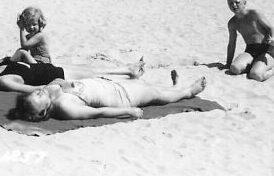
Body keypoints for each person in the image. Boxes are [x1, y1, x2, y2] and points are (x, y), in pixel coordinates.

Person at [14, 71, 207, 121]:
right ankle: (188, 91)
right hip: (122, 96)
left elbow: (57, 79)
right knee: (158, 95)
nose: (38, 92)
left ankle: (175, 86)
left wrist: (58, 84)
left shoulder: (49, 90)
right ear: (41, 112)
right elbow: (96, 114)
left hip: (110, 83)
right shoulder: (65, 106)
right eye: (37, 98)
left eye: (34, 93)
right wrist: (128, 111)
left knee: (152, 87)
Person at [0, 57, 146, 95]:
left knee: (92, 68)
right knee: (96, 73)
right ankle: (130, 71)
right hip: (58, 75)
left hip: (51, 67)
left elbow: (5, 59)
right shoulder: (5, 80)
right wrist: (58, 84)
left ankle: (129, 70)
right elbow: (34, 89)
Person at [225, 0, 274, 82]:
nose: (234, 5)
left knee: (256, 75)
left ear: (244, 3)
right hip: (251, 50)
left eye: (237, 2)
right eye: (230, 3)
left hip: (267, 49)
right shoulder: (232, 23)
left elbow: (271, 28)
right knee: (234, 68)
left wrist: (271, 38)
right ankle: (255, 64)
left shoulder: (254, 14)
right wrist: (228, 63)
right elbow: (232, 43)